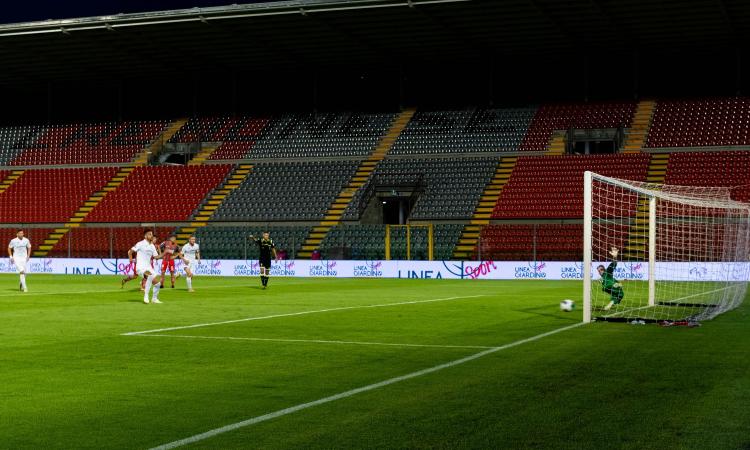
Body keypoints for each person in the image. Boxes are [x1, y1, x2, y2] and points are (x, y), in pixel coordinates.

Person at [128, 229, 164, 304]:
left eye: (152, 234)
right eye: (150, 234)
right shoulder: (140, 244)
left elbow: (156, 257)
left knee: (158, 284)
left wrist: (165, 253)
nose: (151, 236)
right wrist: (131, 260)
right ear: (145, 236)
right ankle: (146, 296)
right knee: (150, 276)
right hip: (140, 267)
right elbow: (130, 252)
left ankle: (154, 299)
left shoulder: (152, 246)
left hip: (148, 268)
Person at [598, 246, 624, 311]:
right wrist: (615, 256)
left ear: (603, 269)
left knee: (616, 295)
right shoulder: (606, 273)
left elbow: (613, 265)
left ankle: (611, 303)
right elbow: (613, 265)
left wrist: (618, 283)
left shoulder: (606, 273)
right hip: (611, 286)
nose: (599, 271)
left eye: (600, 270)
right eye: (598, 270)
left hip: (607, 288)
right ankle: (612, 302)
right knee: (621, 294)